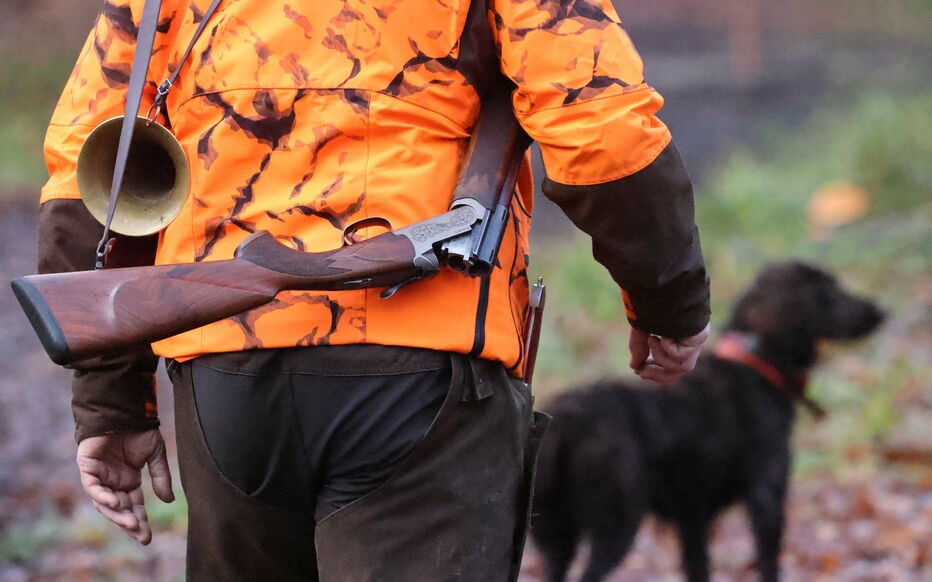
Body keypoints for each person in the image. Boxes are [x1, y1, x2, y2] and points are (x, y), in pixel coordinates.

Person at [36, 0, 710, 579]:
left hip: (226, 386)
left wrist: (110, 398)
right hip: (422, 376)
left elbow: (91, 162)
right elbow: (604, 130)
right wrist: (668, 304)